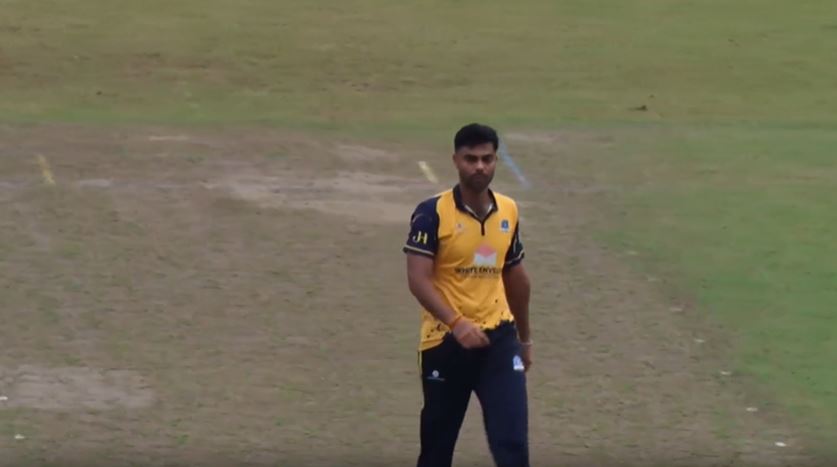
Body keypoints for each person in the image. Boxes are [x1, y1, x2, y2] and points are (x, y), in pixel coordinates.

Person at [403, 123, 532, 467]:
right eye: (471, 159)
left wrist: (524, 339)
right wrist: (456, 323)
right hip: (445, 342)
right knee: (436, 450)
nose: (479, 167)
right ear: (456, 161)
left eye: (487, 159)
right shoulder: (431, 213)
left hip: (499, 341)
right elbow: (418, 279)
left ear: (495, 161)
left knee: (513, 446)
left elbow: (516, 278)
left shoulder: (509, 210)